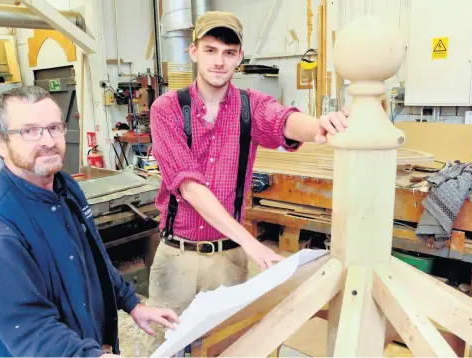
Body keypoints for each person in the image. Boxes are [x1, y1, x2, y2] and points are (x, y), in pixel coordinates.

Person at [145, 10, 350, 353]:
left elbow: (283, 121)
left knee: (231, 347)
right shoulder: (166, 109)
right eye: (210, 50)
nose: (219, 61)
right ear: (193, 52)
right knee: (166, 348)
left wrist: (320, 127)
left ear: (239, 57)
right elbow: (189, 187)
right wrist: (253, 244)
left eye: (229, 52)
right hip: (176, 256)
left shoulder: (251, 106)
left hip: (228, 261)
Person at [0, 86, 180, 357]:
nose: (48, 141)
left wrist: (134, 304)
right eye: (29, 131)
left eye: (53, 127)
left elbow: (95, 260)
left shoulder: (65, 187)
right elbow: (31, 331)